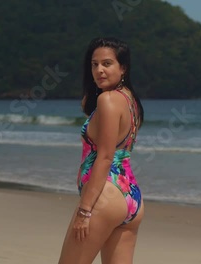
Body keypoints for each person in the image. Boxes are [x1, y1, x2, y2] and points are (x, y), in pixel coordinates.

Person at [58, 37, 145, 264]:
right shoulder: (129, 100)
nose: (99, 70)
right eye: (94, 64)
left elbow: (105, 157)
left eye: (107, 64)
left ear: (123, 67)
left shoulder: (108, 100)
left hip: (105, 196)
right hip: (131, 197)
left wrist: (84, 211)